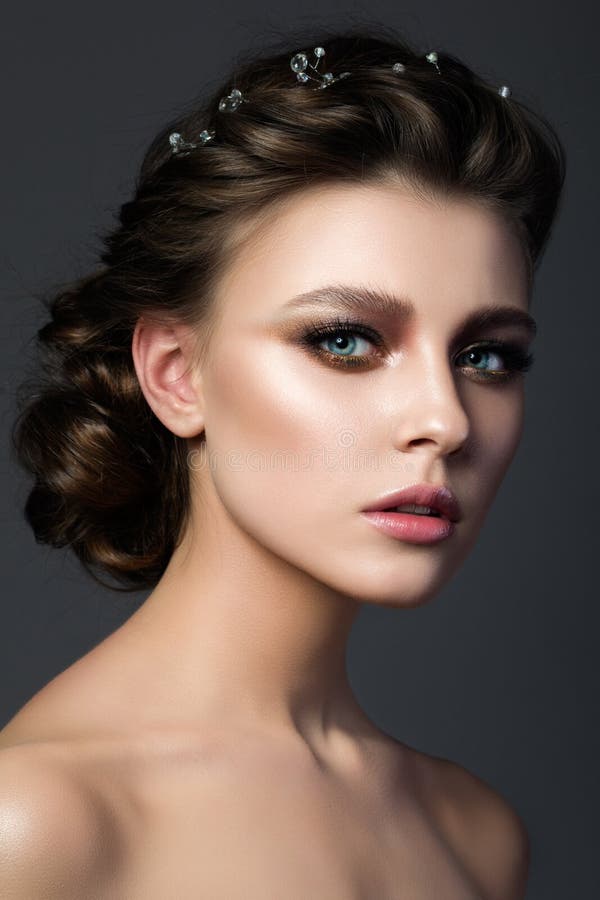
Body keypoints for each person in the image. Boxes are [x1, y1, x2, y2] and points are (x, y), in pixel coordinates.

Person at [0, 24, 565, 899]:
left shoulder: (477, 837)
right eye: (345, 340)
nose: (447, 420)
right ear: (176, 376)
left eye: (488, 357)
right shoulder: (37, 824)